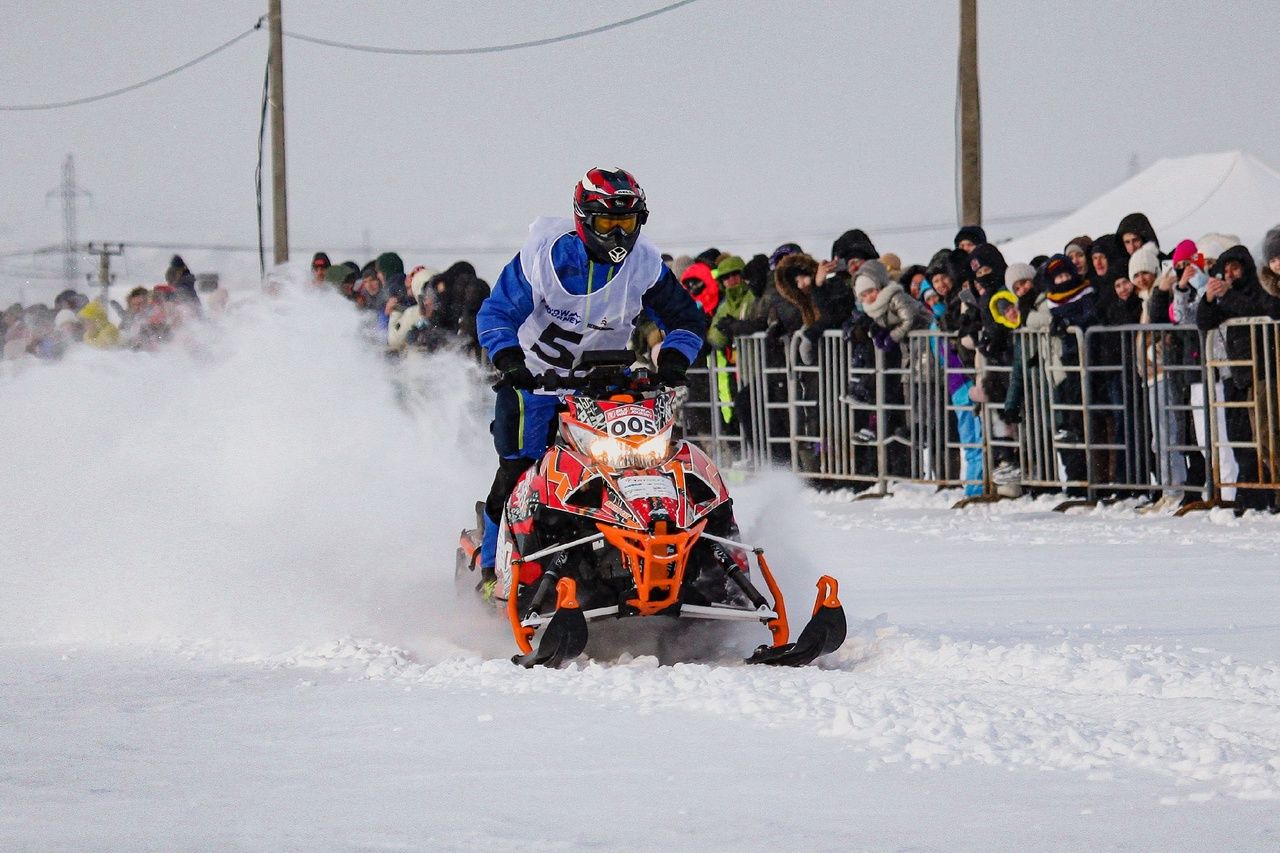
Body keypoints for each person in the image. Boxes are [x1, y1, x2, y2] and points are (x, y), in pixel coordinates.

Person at [474, 168, 707, 575]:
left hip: (604, 385)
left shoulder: (645, 264)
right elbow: (497, 311)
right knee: (518, 470)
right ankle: (494, 572)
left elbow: (687, 318)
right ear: (584, 220)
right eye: (607, 223)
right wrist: (509, 360)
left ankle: (696, 562)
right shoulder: (545, 255)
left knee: (652, 464)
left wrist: (673, 361)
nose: (618, 235)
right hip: (535, 382)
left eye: (627, 223)